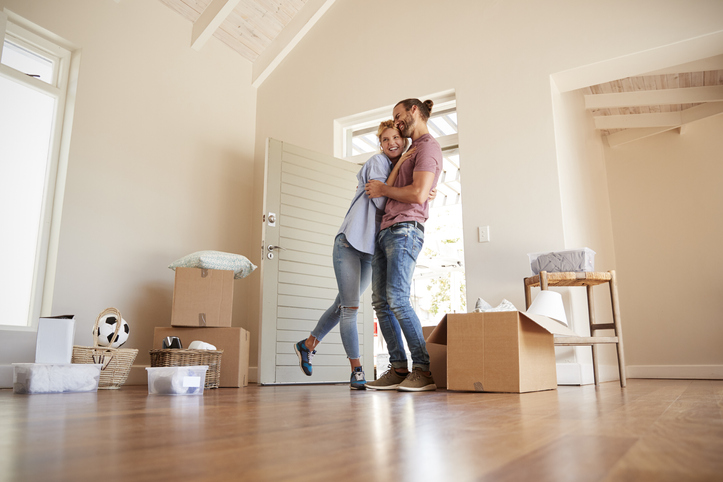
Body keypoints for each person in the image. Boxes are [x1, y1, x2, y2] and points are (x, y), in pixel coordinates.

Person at [293, 120, 413, 389]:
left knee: (342, 304)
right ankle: (357, 371)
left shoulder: (399, 169)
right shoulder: (377, 162)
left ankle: (308, 344)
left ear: (404, 140)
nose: (391, 142)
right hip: (349, 242)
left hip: (371, 250)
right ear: (380, 144)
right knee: (350, 309)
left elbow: (392, 196)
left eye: (395, 137)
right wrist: (410, 194)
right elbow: (381, 200)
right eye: (385, 139)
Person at [363, 98, 443, 392]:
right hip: (386, 230)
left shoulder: (427, 147)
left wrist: (384, 189)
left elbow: (420, 193)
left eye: (398, 116)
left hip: (405, 229)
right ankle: (398, 368)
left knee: (396, 298)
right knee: (381, 303)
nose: (396, 122)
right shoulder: (410, 150)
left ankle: (422, 369)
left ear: (413, 111)